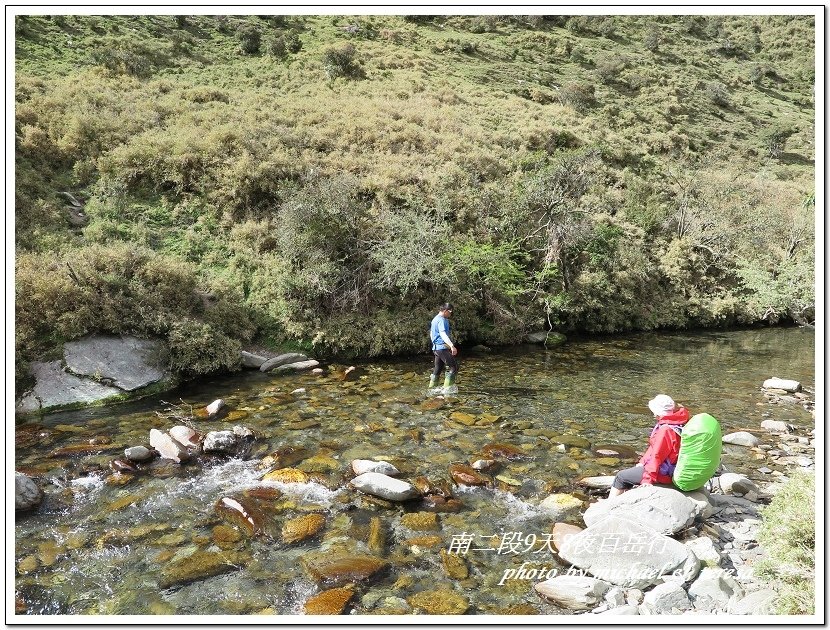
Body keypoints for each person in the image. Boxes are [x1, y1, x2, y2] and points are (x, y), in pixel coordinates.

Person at [608, 394, 690, 498]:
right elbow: (653, 448)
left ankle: (609, 505)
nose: (653, 413)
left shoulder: (665, 430)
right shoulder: (678, 422)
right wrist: (642, 462)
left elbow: (657, 455)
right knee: (631, 474)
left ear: (658, 412)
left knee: (620, 477)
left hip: (663, 474)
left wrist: (648, 479)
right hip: (672, 468)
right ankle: (622, 499)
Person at [429, 303, 458, 389]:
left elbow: (431, 333)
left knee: (438, 369)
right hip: (441, 348)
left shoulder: (434, 319)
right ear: (445, 311)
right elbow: (443, 334)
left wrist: (435, 343)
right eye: (450, 312)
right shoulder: (441, 320)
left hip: (436, 348)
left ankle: (431, 389)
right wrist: (452, 346)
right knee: (454, 367)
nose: (450, 314)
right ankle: (447, 390)